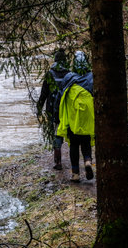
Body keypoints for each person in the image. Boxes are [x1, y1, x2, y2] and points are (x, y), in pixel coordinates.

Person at [57, 51, 95, 182]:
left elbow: (60, 96)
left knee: (73, 145)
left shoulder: (69, 77)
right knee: (86, 141)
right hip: (87, 118)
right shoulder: (91, 77)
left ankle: (75, 174)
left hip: (73, 118)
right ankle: (88, 161)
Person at [37, 48, 70, 170]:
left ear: (55, 60)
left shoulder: (50, 74)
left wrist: (39, 108)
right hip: (66, 109)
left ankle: (58, 162)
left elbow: (44, 94)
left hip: (52, 109)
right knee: (70, 133)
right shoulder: (69, 74)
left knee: (56, 133)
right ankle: (76, 164)